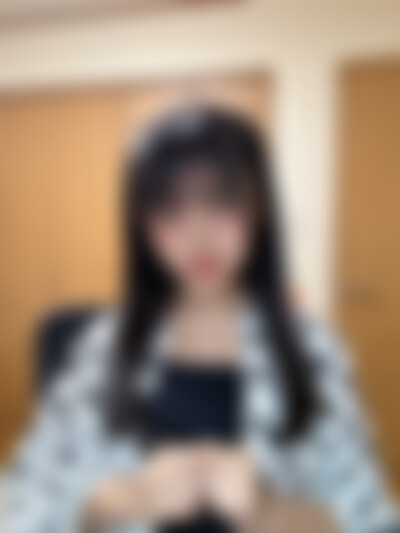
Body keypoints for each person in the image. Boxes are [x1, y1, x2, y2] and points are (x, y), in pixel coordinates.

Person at [1, 106, 398, 533]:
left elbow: (369, 518)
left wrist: (269, 511)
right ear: (141, 226)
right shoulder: (102, 351)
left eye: (222, 202)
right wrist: (114, 500)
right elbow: (21, 506)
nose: (198, 234)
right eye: (169, 209)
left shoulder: (311, 354)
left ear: (260, 211)